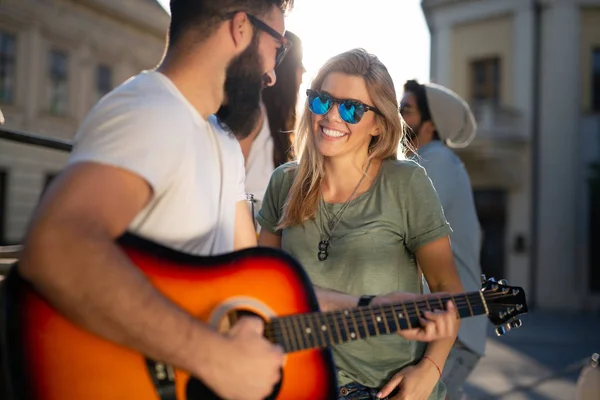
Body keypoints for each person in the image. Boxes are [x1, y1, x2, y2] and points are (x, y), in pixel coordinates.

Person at [16, 1, 294, 399]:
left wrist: (371, 306)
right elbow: (56, 245)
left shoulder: (223, 140)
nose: (271, 74)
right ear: (240, 29)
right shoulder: (151, 110)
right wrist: (215, 356)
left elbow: (250, 284)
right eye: (277, 47)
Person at [257, 48, 464, 400]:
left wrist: (429, 371)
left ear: (379, 124)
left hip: (385, 389)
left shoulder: (406, 182)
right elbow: (261, 287)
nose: (332, 116)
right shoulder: (283, 183)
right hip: (298, 384)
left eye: (351, 108)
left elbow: (448, 286)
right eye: (322, 101)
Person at [401, 79, 488, 400]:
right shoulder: (427, 163)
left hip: (454, 335)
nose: (397, 116)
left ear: (430, 125)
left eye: (406, 110)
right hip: (445, 329)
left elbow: (401, 231)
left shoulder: (436, 162)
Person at [240, 30, 305, 218]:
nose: (303, 72)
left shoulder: (276, 122)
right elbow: (228, 181)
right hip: (243, 236)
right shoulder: (253, 112)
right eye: (299, 64)